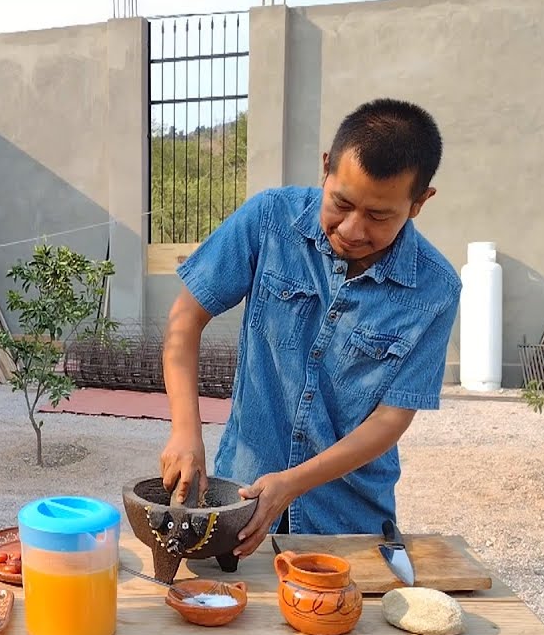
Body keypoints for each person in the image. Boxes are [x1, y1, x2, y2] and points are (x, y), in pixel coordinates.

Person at [159, 97, 460, 559]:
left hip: (348, 519)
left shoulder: (434, 289)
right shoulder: (269, 220)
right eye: (341, 203)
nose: (354, 230)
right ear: (326, 168)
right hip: (239, 495)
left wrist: (293, 484)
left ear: (419, 202)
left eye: (380, 216)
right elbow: (185, 319)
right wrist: (185, 431)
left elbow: (390, 420)